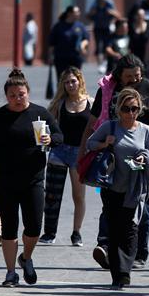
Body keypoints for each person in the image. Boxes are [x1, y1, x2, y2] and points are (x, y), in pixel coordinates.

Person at [0, 69, 63, 287]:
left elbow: (59, 135)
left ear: (28, 92)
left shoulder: (40, 114)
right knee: (8, 229)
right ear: (6, 96)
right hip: (5, 181)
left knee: (34, 228)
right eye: (12, 96)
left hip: (34, 180)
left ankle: (26, 258)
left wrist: (50, 139)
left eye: (21, 94)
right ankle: (11, 273)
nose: (17, 99)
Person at [80, 54, 149, 270]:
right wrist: (83, 151)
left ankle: (139, 254)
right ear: (119, 76)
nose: (135, 79)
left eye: (138, 75)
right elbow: (92, 121)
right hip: (112, 161)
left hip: (140, 161)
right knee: (110, 205)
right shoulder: (108, 91)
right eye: (129, 76)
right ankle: (105, 246)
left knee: (142, 209)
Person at [86, 88, 149, 289]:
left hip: (135, 188)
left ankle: (124, 271)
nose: (130, 113)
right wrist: (104, 143)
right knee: (115, 230)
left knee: (131, 229)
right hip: (110, 187)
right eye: (126, 108)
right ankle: (117, 275)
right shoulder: (110, 127)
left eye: (134, 108)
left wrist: (145, 157)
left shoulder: (145, 130)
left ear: (140, 109)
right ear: (119, 109)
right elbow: (90, 144)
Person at [40, 67, 91, 247]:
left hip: (80, 154)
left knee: (79, 196)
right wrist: (45, 137)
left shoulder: (90, 102)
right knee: (52, 196)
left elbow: (98, 126)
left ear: (80, 81)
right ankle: (49, 233)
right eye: (67, 82)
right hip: (59, 151)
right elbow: (44, 123)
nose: (70, 85)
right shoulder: (59, 104)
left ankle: (76, 233)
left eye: (73, 81)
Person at [49, 5, 90, 79]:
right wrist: (51, 56)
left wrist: (83, 46)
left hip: (76, 58)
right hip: (61, 58)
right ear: (69, 13)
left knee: (75, 79)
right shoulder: (58, 26)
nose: (79, 13)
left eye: (78, 12)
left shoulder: (80, 26)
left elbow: (86, 39)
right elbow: (52, 43)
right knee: (62, 80)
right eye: (76, 12)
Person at [87, 0, 120, 73]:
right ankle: (99, 64)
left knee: (107, 46)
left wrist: (112, 13)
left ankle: (104, 63)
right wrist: (91, 13)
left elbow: (118, 15)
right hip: (97, 27)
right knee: (99, 46)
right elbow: (88, 16)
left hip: (107, 27)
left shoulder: (109, 4)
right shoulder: (95, 4)